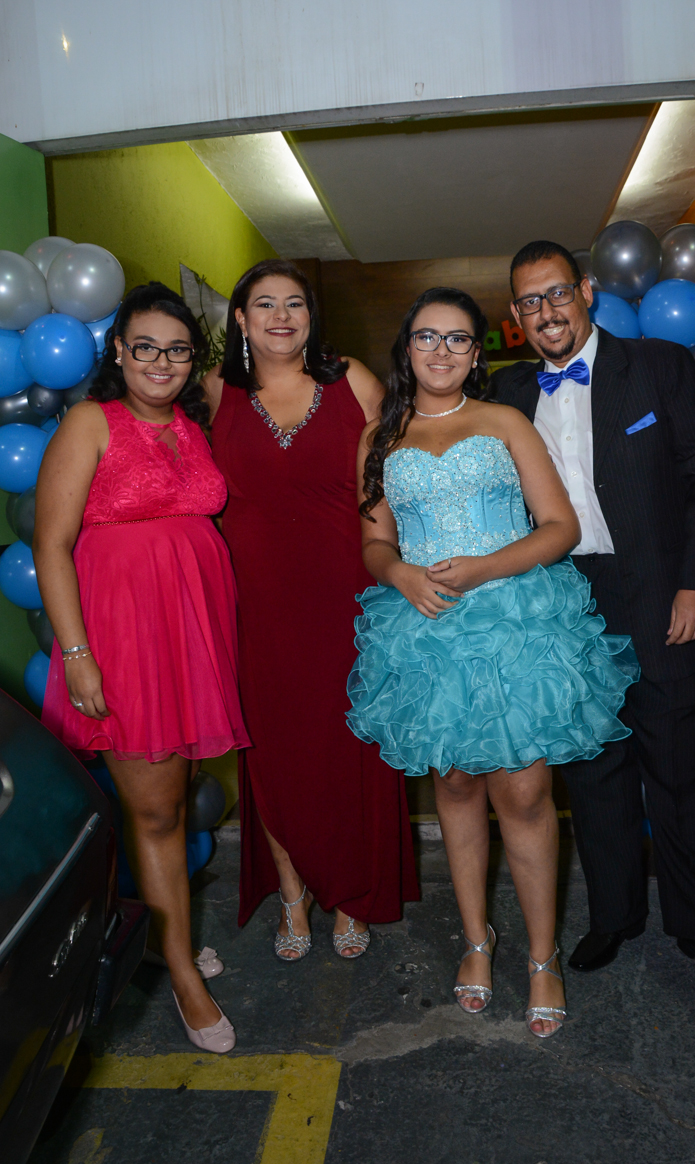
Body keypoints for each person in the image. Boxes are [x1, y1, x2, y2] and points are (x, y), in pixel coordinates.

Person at [346, 287, 639, 1037]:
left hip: (515, 622)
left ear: (477, 354)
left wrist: (482, 568)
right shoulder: (378, 436)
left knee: (525, 794)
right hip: (426, 628)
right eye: (425, 337)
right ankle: (477, 941)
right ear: (405, 348)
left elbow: (558, 526)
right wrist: (398, 573)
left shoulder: (505, 420)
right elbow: (374, 541)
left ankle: (542, 958)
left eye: (456, 339)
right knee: (453, 784)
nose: (439, 351)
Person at [487, 239, 695, 999]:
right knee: (594, 773)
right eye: (530, 302)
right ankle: (614, 917)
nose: (546, 311)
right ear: (515, 318)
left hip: (661, 594)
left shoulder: (659, 367)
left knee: (677, 768)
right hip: (565, 604)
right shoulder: (506, 394)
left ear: (587, 291)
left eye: (556, 293)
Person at [35, 282, 249, 1053]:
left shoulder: (193, 426)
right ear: (118, 352)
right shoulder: (92, 423)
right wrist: (81, 655)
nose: (161, 361)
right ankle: (181, 971)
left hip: (190, 635)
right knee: (156, 810)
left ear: (194, 361)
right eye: (146, 346)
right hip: (122, 640)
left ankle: (166, 936)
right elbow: (51, 544)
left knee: (175, 791)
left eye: (178, 348)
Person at [204, 259, 419, 960]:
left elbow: (396, 475)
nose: (280, 316)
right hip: (255, 600)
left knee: (348, 743)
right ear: (239, 319)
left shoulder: (349, 378)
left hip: (345, 590)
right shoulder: (212, 392)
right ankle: (293, 892)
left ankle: (352, 893)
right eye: (263, 304)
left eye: (293, 303)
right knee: (272, 750)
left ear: (310, 317)